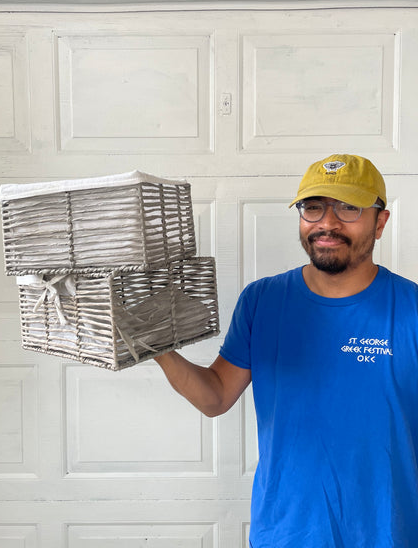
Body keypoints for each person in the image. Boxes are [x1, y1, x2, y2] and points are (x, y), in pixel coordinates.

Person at [155, 154, 418, 548]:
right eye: (313, 208)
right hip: (287, 533)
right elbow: (215, 397)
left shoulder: (411, 308)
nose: (327, 223)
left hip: (389, 533)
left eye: (349, 207)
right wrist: (154, 344)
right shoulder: (263, 300)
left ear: (380, 222)